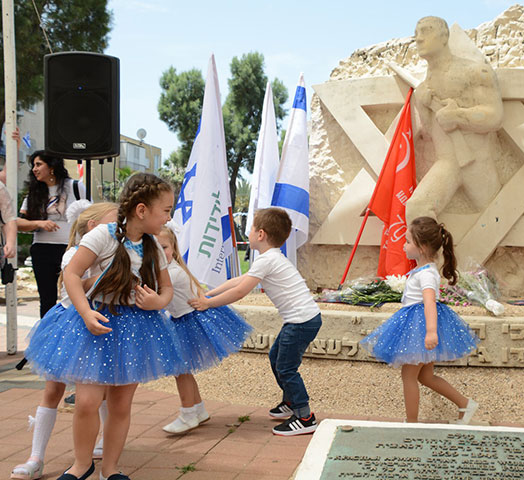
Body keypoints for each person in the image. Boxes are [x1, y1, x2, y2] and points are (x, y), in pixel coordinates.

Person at [24, 173, 185, 480]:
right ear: (141, 210)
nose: (169, 216)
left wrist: (157, 302)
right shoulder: (102, 235)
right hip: (98, 322)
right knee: (86, 401)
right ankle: (81, 465)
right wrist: (85, 313)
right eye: (165, 209)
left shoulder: (152, 244)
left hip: (136, 326)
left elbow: (166, 289)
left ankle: (110, 469)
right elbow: (72, 274)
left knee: (121, 404)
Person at [189, 207, 322, 436]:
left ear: (260, 234)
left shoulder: (267, 260)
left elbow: (241, 291)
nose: (248, 232)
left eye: (250, 228)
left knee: (286, 368)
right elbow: (239, 280)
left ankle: (305, 416)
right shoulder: (269, 258)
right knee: (276, 357)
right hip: (303, 319)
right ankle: (290, 403)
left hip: (301, 321)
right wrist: (208, 295)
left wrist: (208, 304)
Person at [11, 201, 118, 480]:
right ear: (94, 227)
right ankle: (36, 457)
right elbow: (79, 288)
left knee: (102, 388)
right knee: (53, 390)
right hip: (70, 326)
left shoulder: (113, 252)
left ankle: (104, 446)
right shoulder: (73, 254)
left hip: (99, 325)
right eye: (114, 221)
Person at [360, 217, 479, 424]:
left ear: (422, 247)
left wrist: (431, 331)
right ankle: (465, 404)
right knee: (425, 377)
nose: (403, 245)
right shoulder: (423, 270)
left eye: (407, 241)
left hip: (420, 328)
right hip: (418, 326)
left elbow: (430, 303)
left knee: (409, 376)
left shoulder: (427, 274)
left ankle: (411, 422)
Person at [156, 224, 252, 434]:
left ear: (173, 248)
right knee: (183, 369)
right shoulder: (167, 270)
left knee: (180, 370)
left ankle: (188, 414)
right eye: (153, 248)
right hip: (183, 319)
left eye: (163, 247)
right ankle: (198, 410)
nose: (159, 253)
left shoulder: (170, 274)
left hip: (189, 321)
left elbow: (156, 299)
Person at [406, 16, 503, 223]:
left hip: (476, 162)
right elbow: (431, 133)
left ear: (444, 37)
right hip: (447, 163)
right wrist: (423, 105)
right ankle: (433, 257)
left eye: (426, 31)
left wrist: (459, 116)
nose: (419, 39)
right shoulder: (426, 84)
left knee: (499, 223)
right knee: (417, 208)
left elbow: (495, 116)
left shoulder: (476, 71)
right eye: (416, 34)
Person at [17, 150, 86, 318]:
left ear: (52, 167)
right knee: (47, 300)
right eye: (33, 165)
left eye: (39, 164)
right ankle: (47, 337)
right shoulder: (33, 193)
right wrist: (38, 223)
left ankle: (72, 335)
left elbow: (90, 215)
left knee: (72, 296)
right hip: (42, 250)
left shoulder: (75, 187)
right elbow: (18, 223)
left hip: (70, 250)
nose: (34, 169)